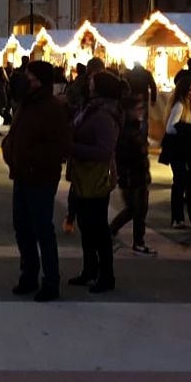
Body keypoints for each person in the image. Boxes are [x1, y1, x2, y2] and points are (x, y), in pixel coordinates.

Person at [2, 59, 70, 302]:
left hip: (40, 176)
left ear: (39, 82)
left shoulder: (52, 107)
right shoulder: (26, 103)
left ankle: (51, 281)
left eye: (29, 78)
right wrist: (9, 149)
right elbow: (15, 133)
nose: (24, 81)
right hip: (21, 174)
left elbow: (59, 147)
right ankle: (28, 274)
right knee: (21, 226)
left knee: (42, 229)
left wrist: (29, 158)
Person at [68, 71, 123, 293]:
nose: (88, 85)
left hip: (96, 176)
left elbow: (104, 150)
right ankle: (90, 269)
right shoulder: (91, 110)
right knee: (86, 225)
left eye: (92, 82)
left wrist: (72, 148)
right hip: (84, 175)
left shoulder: (103, 115)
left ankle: (106, 274)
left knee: (97, 227)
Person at [110, 94, 155, 255]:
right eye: (138, 108)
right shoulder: (129, 130)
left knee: (132, 209)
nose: (141, 111)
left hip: (132, 174)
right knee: (138, 210)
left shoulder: (129, 127)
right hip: (133, 174)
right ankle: (138, 242)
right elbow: (134, 152)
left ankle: (112, 231)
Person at [162, 74, 191, 228]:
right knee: (181, 183)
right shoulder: (180, 106)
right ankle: (179, 218)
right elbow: (170, 127)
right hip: (179, 150)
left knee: (183, 183)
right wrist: (186, 130)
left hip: (183, 149)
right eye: (190, 91)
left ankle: (183, 218)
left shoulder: (186, 105)